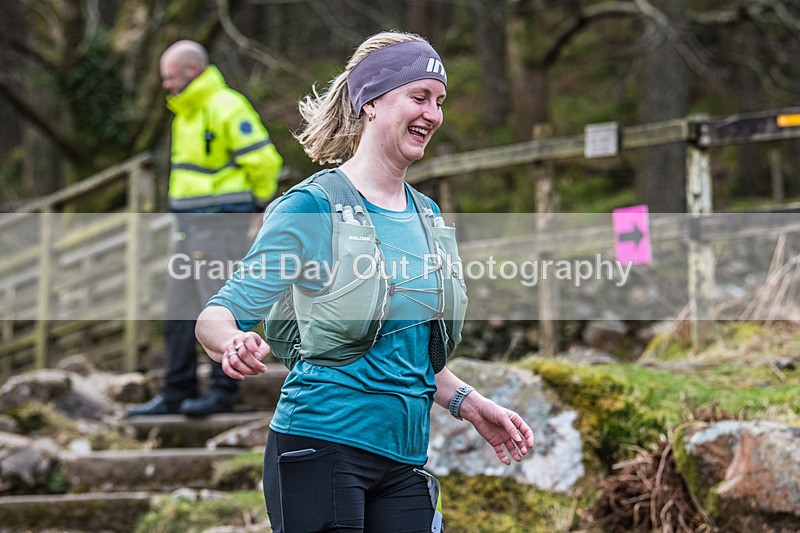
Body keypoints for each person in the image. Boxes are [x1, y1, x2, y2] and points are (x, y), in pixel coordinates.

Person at [195, 31, 534, 532]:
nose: (433, 115)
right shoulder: (311, 206)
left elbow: (406, 351)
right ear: (371, 102)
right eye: (419, 97)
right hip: (319, 446)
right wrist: (233, 342)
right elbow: (216, 315)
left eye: (439, 102)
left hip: (403, 462)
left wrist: (471, 404)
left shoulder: (427, 214)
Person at [127, 40, 283, 417]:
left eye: (170, 77)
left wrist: (259, 206)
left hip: (220, 223)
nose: (165, 85)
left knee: (219, 309)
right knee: (177, 311)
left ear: (192, 71)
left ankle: (222, 391)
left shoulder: (225, 106)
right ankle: (175, 391)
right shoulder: (185, 112)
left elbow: (264, 161)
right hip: (188, 227)